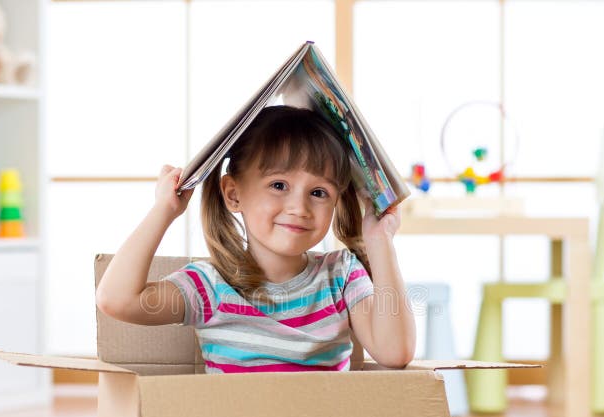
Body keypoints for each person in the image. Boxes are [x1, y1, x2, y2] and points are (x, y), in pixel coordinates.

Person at [95, 105, 415, 373]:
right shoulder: (210, 287)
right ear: (234, 194)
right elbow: (116, 300)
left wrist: (380, 240)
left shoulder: (341, 275)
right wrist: (164, 211)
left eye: (318, 192)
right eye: (279, 185)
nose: (299, 207)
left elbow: (395, 352)